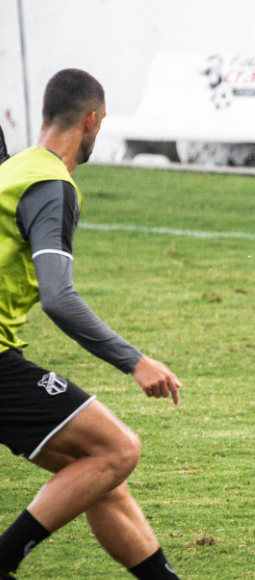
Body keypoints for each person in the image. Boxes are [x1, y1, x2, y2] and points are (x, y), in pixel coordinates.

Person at [0, 69, 183, 579]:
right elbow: (59, 298)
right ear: (93, 119)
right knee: (118, 448)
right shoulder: (50, 185)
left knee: (98, 471)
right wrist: (136, 362)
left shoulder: (14, 170)